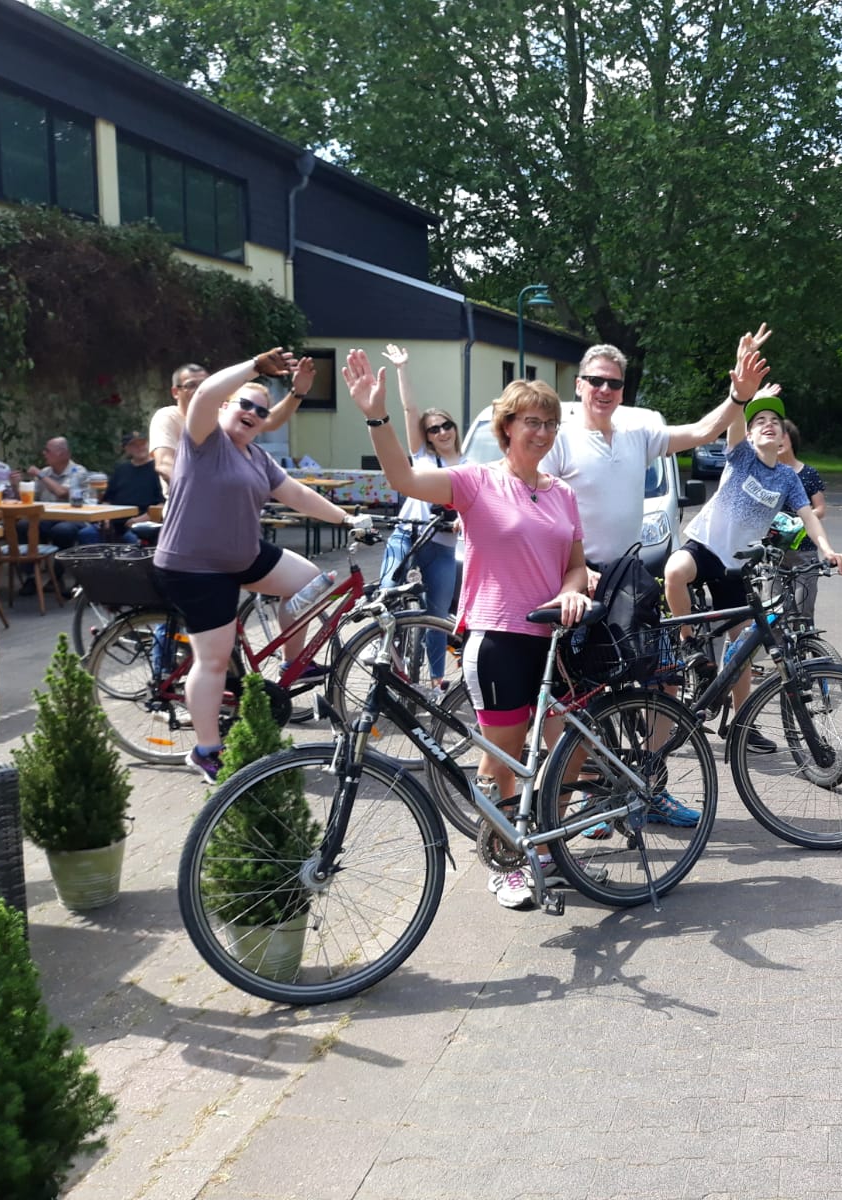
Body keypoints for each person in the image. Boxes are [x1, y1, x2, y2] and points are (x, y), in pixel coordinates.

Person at [347, 351, 600, 910]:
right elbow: (403, 478)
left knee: (571, 749)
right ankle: (506, 861)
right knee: (503, 758)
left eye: (550, 423)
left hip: (555, 644)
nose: (542, 432)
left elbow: (576, 563)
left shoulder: (561, 493)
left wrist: (572, 589)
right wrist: (376, 416)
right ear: (507, 427)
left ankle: (545, 845)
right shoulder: (476, 482)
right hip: (499, 636)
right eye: (531, 421)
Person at [152, 349, 371, 782]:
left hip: (244, 557)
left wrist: (346, 519)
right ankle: (206, 750)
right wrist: (254, 366)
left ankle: (294, 663)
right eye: (245, 405)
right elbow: (206, 393)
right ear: (225, 408)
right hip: (197, 568)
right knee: (213, 661)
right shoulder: (203, 440)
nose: (253, 413)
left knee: (312, 582)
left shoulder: (256, 457)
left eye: (261, 411)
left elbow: (297, 494)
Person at [665, 392, 842, 742]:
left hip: (737, 564)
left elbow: (809, 516)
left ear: (783, 438)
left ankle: (742, 725)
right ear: (749, 435)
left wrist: (827, 549)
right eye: (760, 421)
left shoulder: (787, 478)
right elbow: (735, 418)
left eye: (775, 422)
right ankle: (689, 645)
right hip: (705, 547)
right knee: (674, 572)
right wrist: (744, 394)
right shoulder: (741, 456)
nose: (768, 425)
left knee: (743, 649)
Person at [542, 329, 772, 582]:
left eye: (614, 383)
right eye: (596, 381)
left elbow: (703, 431)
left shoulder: (638, 434)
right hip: (575, 577)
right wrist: (578, 570)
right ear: (579, 385)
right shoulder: (558, 440)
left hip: (626, 575)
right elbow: (543, 518)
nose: (605, 389)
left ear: (621, 391)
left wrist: (738, 396)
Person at [375, 343, 464, 693]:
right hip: (408, 534)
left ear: (454, 427)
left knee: (436, 616)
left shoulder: (470, 467)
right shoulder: (423, 458)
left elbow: (477, 508)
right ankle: (380, 652)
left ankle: (437, 681)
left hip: (442, 545)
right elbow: (410, 409)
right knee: (387, 592)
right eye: (433, 429)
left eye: (446, 426)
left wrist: (463, 520)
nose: (441, 432)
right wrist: (402, 368)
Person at [151, 358, 309, 490]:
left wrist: (298, 392)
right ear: (175, 392)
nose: (200, 391)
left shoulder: (222, 415)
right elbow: (164, 463)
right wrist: (196, 491)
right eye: (191, 385)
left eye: (205, 385)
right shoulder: (168, 417)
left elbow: (269, 421)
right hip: (188, 509)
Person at [21, 437, 99, 592]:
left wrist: (40, 475)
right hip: (47, 518)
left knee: (63, 530)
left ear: (63, 454)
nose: (44, 454)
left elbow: (62, 492)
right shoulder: (45, 472)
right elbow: (30, 498)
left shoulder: (78, 472)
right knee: (24, 525)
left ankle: (57, 577)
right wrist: (17, 485)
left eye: (47, 451)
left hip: (73, 518)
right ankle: (31, 576)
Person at [776, 409, 826, 622]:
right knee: (774, 615)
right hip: (773, 551)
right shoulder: (767, 473)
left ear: (792, 439)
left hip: (804, 549)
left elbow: (820, 508)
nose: (778, 440)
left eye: (783, 434)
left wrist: (798, 521)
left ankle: (805, 642)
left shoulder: (808, 473)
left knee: (803, 611)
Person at [101, 431, 165, 542]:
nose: (140, 447)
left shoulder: (159, 469)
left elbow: (163, 504)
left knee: (130, 538)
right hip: (114, 522)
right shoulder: (120, 469)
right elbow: (107, 500)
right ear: (127, 449)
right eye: (134, 445)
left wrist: (139, 520)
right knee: (87, 534)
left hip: (143, 523)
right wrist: (105, 518)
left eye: (142, 443)